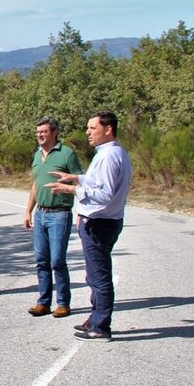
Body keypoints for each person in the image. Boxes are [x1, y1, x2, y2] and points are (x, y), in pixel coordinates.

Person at [45, 111, 133, 342]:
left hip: (100, 223)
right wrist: (76, 178)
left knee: (99, 276)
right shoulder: (115, 153)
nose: (87, 132)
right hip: (107, 221)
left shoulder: (107, 156)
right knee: (95, 274)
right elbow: (100, 182)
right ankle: (93, 319)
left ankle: (101, 326)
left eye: (92, 128)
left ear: (108, 129)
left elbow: (103, 194)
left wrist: (72, 190)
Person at [24, 117, 83, 318]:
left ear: (55, 132)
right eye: (38, 132)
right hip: (41, 213)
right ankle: (43, 302)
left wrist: (82, 211)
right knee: (41, 260)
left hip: (60, 213)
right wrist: (28, 211)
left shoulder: (67, 154)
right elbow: (35, 184)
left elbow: (80, 182)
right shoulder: (36, 155)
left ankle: (63, 303)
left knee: (57, 260)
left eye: (44, 131)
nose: (40, 135)